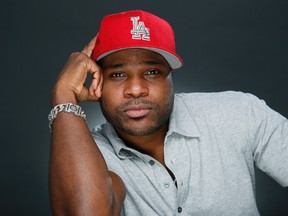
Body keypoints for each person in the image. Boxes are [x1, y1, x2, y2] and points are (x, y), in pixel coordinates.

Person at [48, 10, 288, 216]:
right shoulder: (88, 155)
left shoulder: (238, 112)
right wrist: (63, 95)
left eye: (152, 71)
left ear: (171, 78)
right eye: (117, 74)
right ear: (97, 81)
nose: (135, 89)